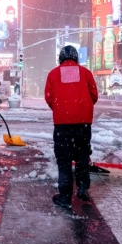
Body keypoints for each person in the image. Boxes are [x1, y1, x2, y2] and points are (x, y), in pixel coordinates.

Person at [44, 46, 98, 209]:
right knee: (82, 154)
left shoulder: (53, 74)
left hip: (62, 124)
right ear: (76, 58)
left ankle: (65, 196)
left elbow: (49, 97)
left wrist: (61, 109)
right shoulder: (86, 73)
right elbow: (94, 95)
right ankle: (82, 187)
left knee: (64, 159)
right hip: (83, 123)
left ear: (60, 58)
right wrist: (82, 109)